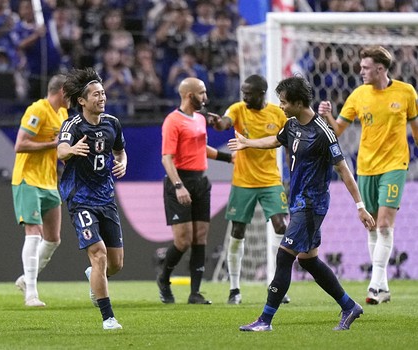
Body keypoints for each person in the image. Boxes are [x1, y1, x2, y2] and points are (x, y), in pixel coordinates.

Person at [228, 76, 375, 332]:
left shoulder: (323, 132)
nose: (281, 106)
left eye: (284, 102)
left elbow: (343, 169)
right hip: (297, 201)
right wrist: (248, 143)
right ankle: (349, 306)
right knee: (308, 261)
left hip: (312, 205)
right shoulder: (292, 125)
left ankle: (265, 320)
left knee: (284, 257)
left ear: (298, 102)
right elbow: (275, 140)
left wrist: (360, 206)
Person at [318, 45, 418, 305]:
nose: (360, 71)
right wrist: (327, 115)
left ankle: (374, 285)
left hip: (395, 165)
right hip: (365, 167)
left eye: (365, 67)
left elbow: (416, 129)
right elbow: (338, 130)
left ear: (380, 69)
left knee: (385, 224)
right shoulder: (358, 95)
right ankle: (382, 288)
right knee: (373, 226)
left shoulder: (406, 93)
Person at [207, 74, 289, 305]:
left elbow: (291, 139)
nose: (244, 97)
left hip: (271, 180)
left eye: (248, 93)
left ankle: (278, 283)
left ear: (261, 93)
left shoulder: (277, 114)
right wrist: (217, 123)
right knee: (238, 232)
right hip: (243, 182)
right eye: (242, 92)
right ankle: (234, 288)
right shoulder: (238, 109)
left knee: (282, 226)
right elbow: (225, 122)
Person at [57, 67, 127, 330]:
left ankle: (94, 277)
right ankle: (108, 318)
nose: (102, 97)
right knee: (98, 255)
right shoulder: (73, 125)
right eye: (96, 94)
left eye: (103, 93)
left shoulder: (112, 123)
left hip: (106, 198)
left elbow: (121, 151)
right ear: (82, 101)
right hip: (81, 199)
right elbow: (62, 149)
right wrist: (72, 149)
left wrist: (122, 163)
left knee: (115, 264)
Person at [158, 77, 232, 305]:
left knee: (200, 237)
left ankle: (195, 293)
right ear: (190, 96)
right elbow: (166, 158)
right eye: (202, 93)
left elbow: (201, 148)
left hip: (201, 181)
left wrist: (229, 158)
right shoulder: (172, 121)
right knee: (183, 241)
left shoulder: (200, 119)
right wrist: (178, 185)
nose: (206, 97)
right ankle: (164, 278)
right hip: (180, 181)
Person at [12, 74, 69, 307]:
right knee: (34, 233)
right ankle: (31, 294)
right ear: (62, 91)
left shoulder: (63, 114)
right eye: (72, 92)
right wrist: (52, 144)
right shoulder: (37, 110)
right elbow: (21, 144)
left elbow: (59, 150)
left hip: (49, 181)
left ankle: (27, 278)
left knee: (54, 239)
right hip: (27, 180)